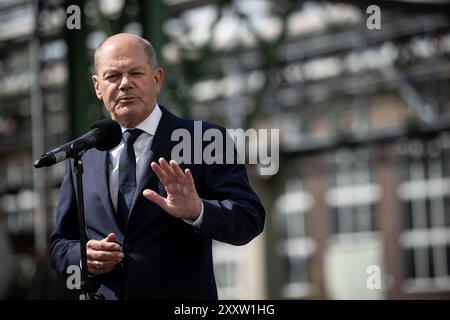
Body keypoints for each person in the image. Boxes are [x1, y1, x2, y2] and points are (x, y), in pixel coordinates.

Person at [49, 33, 265, 300]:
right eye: (112, 76)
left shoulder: (203, 140)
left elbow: (249, 218)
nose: (125, 84)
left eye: (136, 73)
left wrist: (197, 210)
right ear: (97, 86)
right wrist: (82, 257)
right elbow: (59, 245)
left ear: (157, 78)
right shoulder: (84, 154)